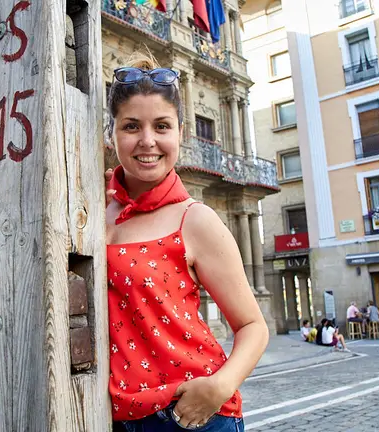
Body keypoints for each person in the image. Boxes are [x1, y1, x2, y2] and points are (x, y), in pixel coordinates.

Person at [104, 55, 267, 431]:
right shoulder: (91, 212)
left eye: (161, 126)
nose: (147, 141)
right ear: (113, 133)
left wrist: (219, 387)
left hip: (188, 415)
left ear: (180, 132)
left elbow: (253, 326)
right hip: (111, 416)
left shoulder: (195, 219)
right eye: (131, 126)